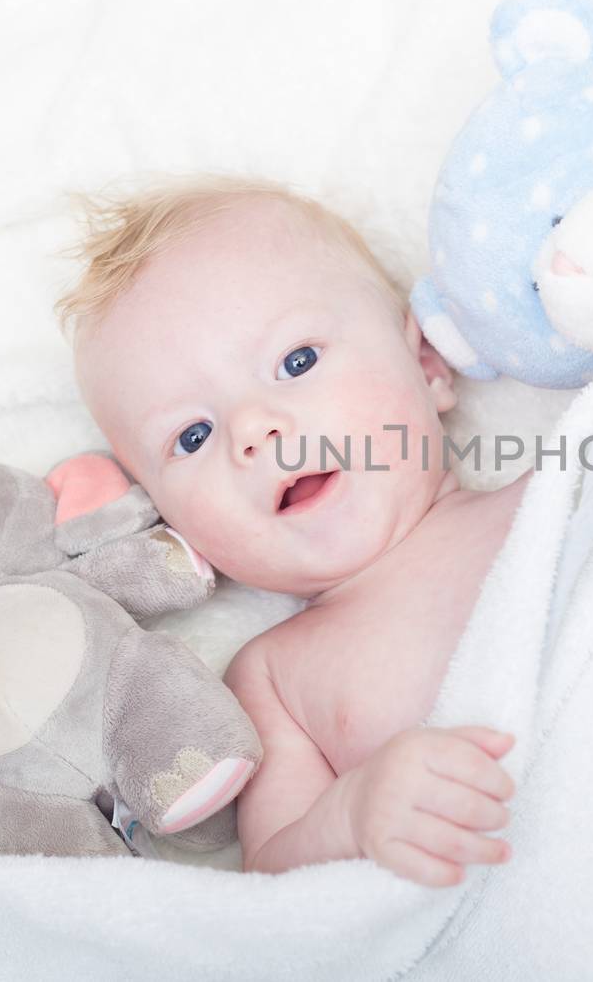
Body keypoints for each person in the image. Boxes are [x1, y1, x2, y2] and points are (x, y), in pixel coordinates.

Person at [60, 176, 528, 887]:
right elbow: (275, 873)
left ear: (427, 363)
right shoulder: (273, 678)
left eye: (296, 362)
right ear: (169, 522)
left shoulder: (548, 496)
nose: (252, 430)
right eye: (192, 435)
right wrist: (352, 812)